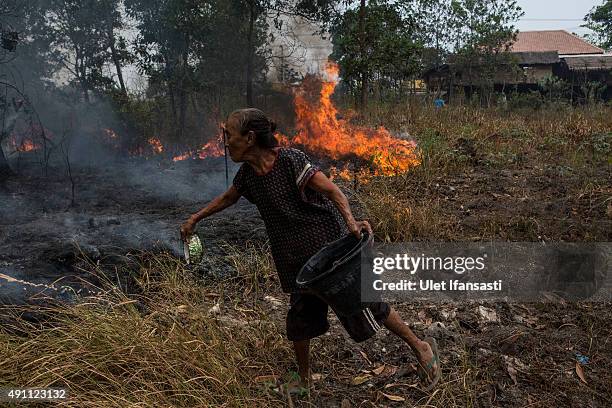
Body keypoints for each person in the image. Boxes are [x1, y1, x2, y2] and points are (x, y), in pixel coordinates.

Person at [180, 108, 440, 392]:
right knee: (300, 321)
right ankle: (303, 381)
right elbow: (229, 197)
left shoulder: (290, 161)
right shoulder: (248, 175)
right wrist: (196, 218)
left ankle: (421, 346)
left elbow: (333, 191)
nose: (225, 141)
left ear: (250, 137)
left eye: (228, 135)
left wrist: (351, 224)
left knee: (367, 305)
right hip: (295, 261)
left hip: (328, 255)